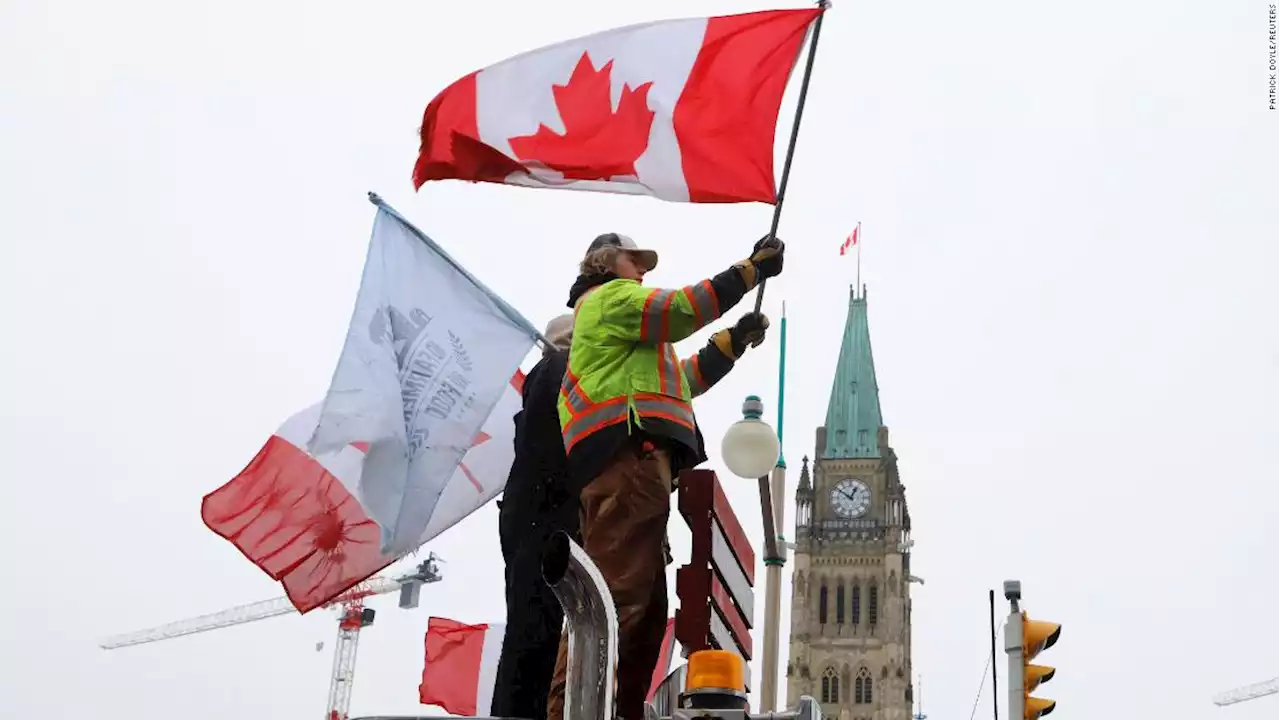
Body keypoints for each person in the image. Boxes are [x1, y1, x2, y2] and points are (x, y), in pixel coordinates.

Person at [546, 232, 784, 720]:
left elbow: (682, 382)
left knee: (645, 615)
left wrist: (731, 343)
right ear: (608, 263)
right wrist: (749, 270)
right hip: (628, 459)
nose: (643, 271)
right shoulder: (610, 298)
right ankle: (571, 712)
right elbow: (679, 310)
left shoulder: (625, 344)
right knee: (615, 605)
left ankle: (618, 711)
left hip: (632, 466)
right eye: (637, 262)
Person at [491, 314, 578, 720]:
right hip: (546, 519)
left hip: (532, 517)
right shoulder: (560, 372)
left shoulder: (543, 377)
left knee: (534, 630)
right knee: (536, 632)